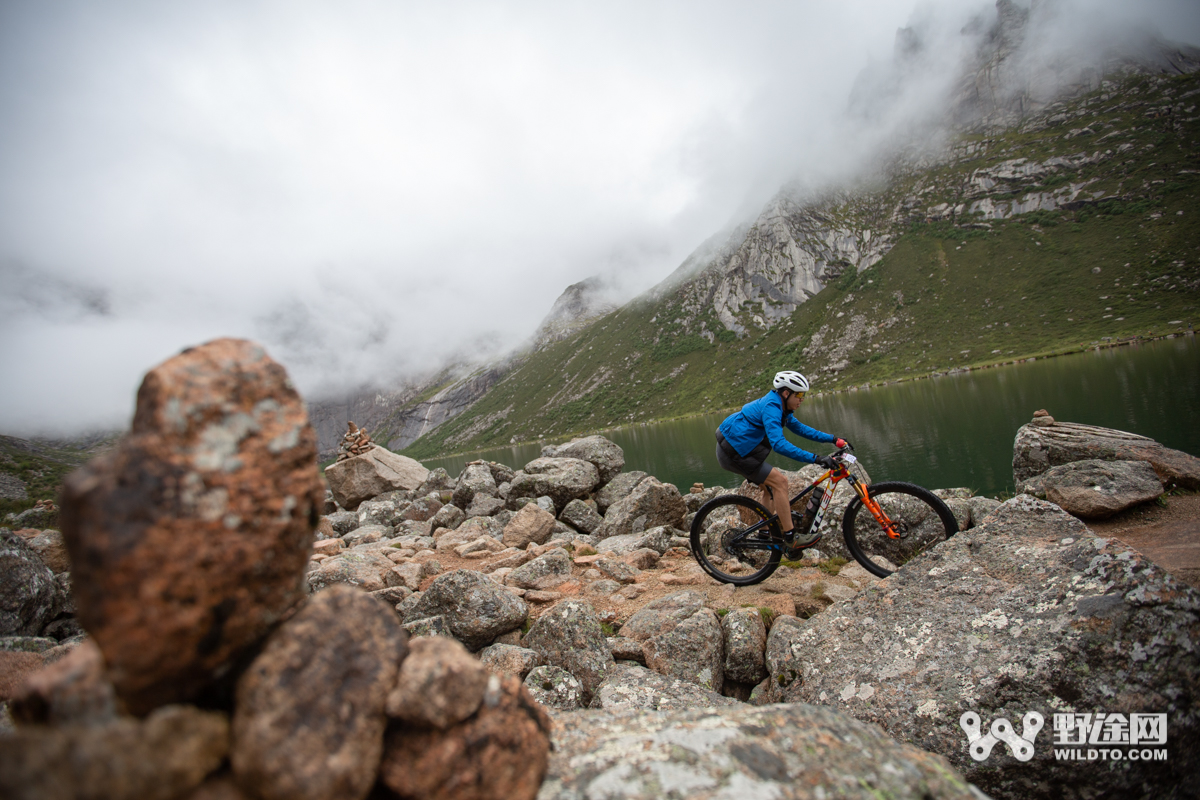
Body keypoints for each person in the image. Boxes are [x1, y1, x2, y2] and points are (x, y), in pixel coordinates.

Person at [714, 370, 849, 557]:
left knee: (769, 488)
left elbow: (800, 428)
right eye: (799, 395)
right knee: (780, 482)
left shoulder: (781, 407)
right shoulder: (772, 407)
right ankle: (791, 537)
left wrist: (833, 439)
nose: (802, 399)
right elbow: (779, 444)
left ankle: (763, 535)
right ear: (786, 393)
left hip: (741, 449)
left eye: (804, 395)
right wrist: (816, 458)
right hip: (734, 452)